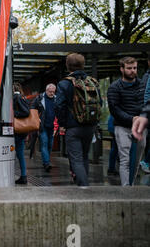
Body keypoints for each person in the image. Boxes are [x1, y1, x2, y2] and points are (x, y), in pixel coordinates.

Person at [55, 53, 102, 187]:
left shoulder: (64, 83)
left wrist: (63, 124)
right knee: (85, 156)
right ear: (83, 65)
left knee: (76, 159)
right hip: (90, 126)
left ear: (67, 66)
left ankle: (83, 187)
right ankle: (83, 184)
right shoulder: (93, 82)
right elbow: (100, 103)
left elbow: (59, 106)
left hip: (73, 127)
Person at [108, 56, 146, 186]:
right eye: (129, 68)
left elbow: (146, 104)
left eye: (134, 68)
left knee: (136, 161)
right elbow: (115, 109)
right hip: (122, 127)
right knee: (125, 159)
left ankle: (132, 185)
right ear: (122, 69)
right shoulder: (114, 87)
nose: (132, 71)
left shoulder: (142, 85)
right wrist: (132, 118)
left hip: (140, 127)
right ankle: (126, 189)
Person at [32, 84, 57, 172]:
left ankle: (46, 161)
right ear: (46, 91)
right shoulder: (40, 98)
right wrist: (36, 118)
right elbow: (32, 108)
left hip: (52, 127)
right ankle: (46, 163)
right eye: (50, 91)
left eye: (53, 92)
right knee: (44, 144)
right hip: (43, 126)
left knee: (50, 145)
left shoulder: (56, 99)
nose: (52, 93)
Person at [13, 82, 29, 185]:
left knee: (18, 154)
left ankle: (23, 176)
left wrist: (14, 114)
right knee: (20, 154)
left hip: (17, 130)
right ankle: (23, 176)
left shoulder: (17, 97)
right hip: (21, 131)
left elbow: (26, 112)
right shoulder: (23, 97)